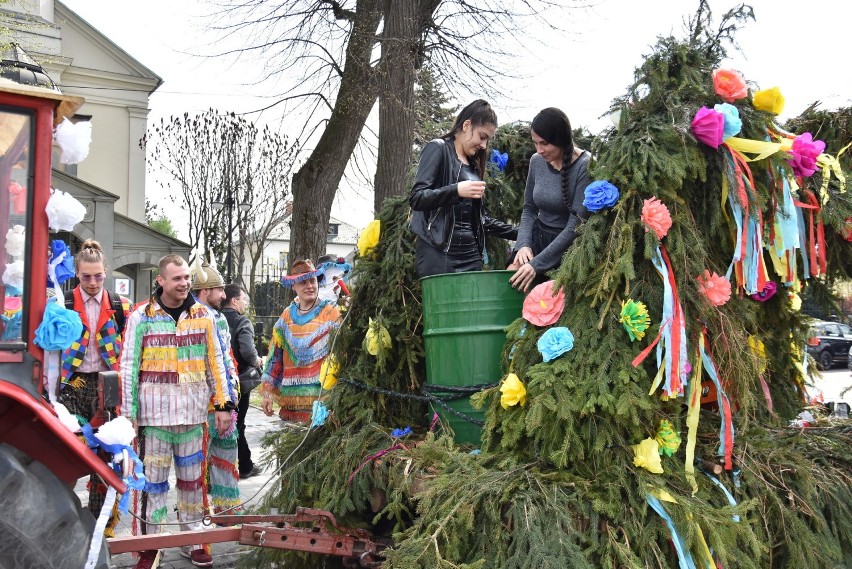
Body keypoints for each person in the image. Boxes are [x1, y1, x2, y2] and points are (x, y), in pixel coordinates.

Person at [120, 255, 233, 569]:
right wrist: (128, 415)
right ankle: (149, 546)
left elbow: (217, 365)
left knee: (192, 484)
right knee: (152, 485)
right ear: (161, 281)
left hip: (194, 418)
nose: (183, 283)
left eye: (186, 278)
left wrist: (223, 405)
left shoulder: (204, 316)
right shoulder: (140, 317)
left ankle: (193, 540)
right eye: (177, 279)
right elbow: (127, 367)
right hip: (153, 419)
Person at [59, 239, 131, 536]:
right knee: (68, 449)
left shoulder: (119, 306)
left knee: (106, 453)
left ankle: (99, 525)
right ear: (76, 273)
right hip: (71, 383)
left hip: (107, 382)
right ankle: (62, 516)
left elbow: (128, 349)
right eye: (86, 276)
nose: (92, 282)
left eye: (98, 276)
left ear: (106, 272)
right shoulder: (61, 303)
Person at [409, 99, 517, 278]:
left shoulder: (474, 166)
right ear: (467, 125)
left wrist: (521, 234)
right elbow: (417, 198)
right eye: (482, 137)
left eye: (487, 140)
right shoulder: (438, 148)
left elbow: (480, 220)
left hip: (471, 256)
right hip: (438, 251)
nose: (483, 145)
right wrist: (456, 190)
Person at [509, 107, 592, 292]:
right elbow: (529, 208)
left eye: (544, 143)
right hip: (537, 238)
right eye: (535, 143)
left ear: (560, 139)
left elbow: (575, 225)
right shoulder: (536, 161)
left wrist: (536, 264)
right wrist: (522, 245)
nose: (539, 150)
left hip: (567, 247)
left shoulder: (584, 166)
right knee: (512, 277)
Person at [261, 260, 341, 422]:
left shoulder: (331, 313)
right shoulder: (286, 317)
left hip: (321, 403)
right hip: (290, 405)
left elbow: (341, 355)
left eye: (313, 281)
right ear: (293, 286)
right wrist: (267, 393)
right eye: (303, 282)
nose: (310, 286)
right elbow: (274, 358)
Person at [190, 262, 241, 515]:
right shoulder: (191, 317)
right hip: (202, 404)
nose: (224, 295)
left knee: (226, 455)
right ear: (204, 290)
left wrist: (230, 396)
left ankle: (225, 507)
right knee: (196, 461)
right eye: (219, 289)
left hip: (225, 402)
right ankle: (197, 510)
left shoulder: (220, 317)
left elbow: (225, 358)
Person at [220, 283, 264, 479]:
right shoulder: (242, 321)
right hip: (238, 381)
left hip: (217, 379)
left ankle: (227, 467)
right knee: (238, 424)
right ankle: (244, 466)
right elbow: (247, 350)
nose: (245, 303)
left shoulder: (214, 317)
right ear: (234, 300)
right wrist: (257, 361)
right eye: (243, 298)